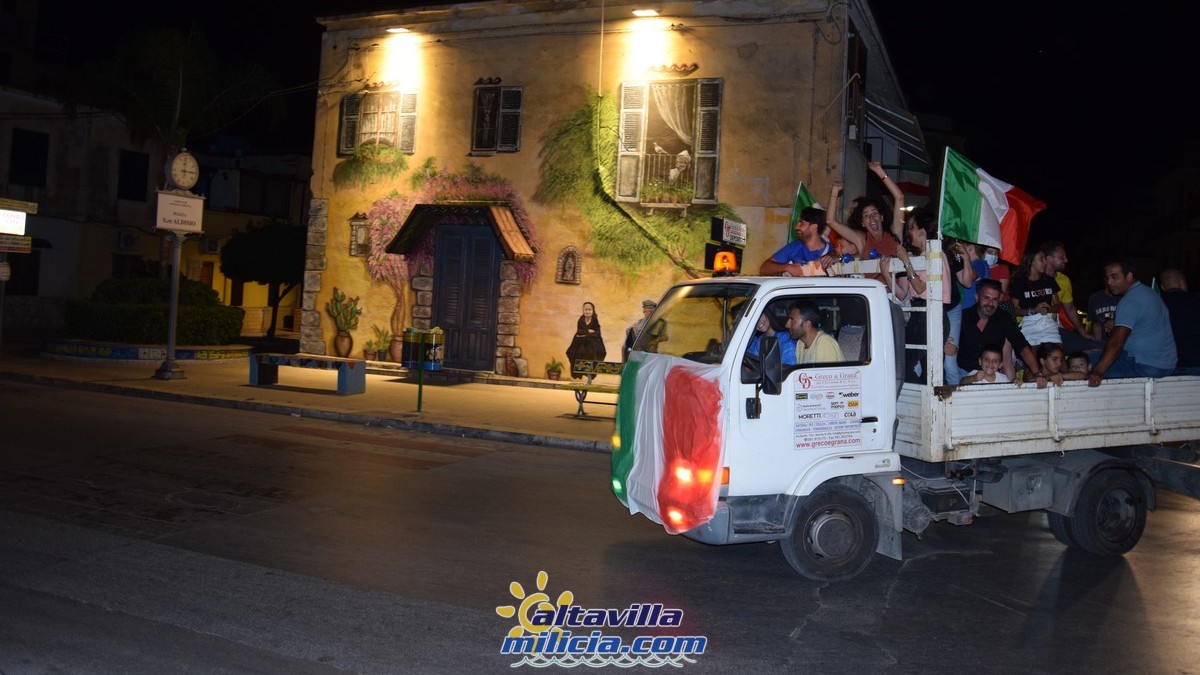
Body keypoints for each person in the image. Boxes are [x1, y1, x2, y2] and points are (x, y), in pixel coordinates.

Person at [1087, 260, 1177, 386]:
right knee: (1098, 349)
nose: (1109, 282)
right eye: (1107, 278)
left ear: (1129, 276)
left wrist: (1098, 372)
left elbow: (1117, 342)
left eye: (1114, 277)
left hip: (1144, 365)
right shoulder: (1148, 293)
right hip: (1165, 364)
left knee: (1083, 361)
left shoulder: (1130, 300)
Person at [826, 161, 906, 283]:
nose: (872, 218)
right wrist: (834, 193)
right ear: (863, 223)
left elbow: (899, 198)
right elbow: (830, 221)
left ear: (881, 217)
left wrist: (880, 172)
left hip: (895, 293)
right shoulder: (862, 240)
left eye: (874, 213)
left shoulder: (895, 235)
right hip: (873, 292)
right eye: (866, 216)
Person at [957, 280, 1043, 385]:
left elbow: (1022, 347)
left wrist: (1037, 373)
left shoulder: (1004, 318)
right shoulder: (963, 317)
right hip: (963, 375)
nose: (990, 303)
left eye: (995, 299)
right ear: (977, 297)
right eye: (986, 298)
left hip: (993, 375)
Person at [1040, 241, 1098, 353]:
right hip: (1033, 328)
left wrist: (1083, 333)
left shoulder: (1064, 280)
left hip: (1054, 328)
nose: (1066, 260)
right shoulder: (1033, 278)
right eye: (1061, 257)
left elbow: (1070, 308)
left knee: (1092, 347)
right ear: (1048, 258)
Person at [758, 206, 835, 276]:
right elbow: (764, 268)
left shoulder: (831, 253)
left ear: (814, 227)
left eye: (801, 223)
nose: (796, 227)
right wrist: (788, 268)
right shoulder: (795, 246)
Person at [1009, 250, 1061, 348]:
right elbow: (1013, 310)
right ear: (1031, 261)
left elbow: (1058, 306)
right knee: (1031, 353)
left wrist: (1048, 309)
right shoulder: (1018, 283)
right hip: (1029, 323)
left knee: (1057, 352)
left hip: (1048, 322)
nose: (1045, 262)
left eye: (1045, 259)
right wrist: (1033, 310)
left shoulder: (1049, 280)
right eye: (1042, 259)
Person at [1159, 268, 1200, 376]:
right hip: (1196, 362)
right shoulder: (1196, 301)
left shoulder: (1156, 303)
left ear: (1162, 287)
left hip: (1167, 364)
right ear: (1182, 283)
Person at [566, 301, 606, 377]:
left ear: (593, 310)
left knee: (595, 354)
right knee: (572, 352)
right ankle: (579, 372)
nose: (587, 312)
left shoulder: (595, 320)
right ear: (583, 310)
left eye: (589, 309)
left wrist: (586, 335)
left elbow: (597, 333)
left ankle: (590, 374)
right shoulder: (581, 320)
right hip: (580, 343)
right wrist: (588, 331)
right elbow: (579, 332)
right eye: (586, 309)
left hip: (594, 344)